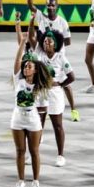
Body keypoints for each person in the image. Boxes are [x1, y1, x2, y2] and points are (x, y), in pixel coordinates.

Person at [26, 17, 75, 168]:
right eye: (45, 40)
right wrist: (31, 23)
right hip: (40, 93)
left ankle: (60, 155)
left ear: (56, 44)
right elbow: (30, 37)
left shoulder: (61, 57)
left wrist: (59, 84)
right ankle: (33, 153)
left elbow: (72, 77)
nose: (47, 42)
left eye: (50, 41)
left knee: (57, 125)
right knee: (37, 124)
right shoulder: (39, 52)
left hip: (54, 93)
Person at [26, 0, 78, 121]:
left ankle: (73, 109)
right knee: (41, 82)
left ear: (57, 7)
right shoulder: (41, 17)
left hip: (58, 56)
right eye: (48, 5)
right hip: (43, 54)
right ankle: (40, 107)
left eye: (53, 5)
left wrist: (55, 47)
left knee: (64, 84)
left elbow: (68, 41)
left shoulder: (62, 22)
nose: (50, 7)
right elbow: (31, 7)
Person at [11, 26, 52, 187]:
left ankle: (35, 181)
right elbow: (17, 60)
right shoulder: (18, 81)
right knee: (20, 151)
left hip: (33, 120)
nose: (26, 67)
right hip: (17, 119)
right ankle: (21, 181)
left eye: (29, 66)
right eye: (25, 66)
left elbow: (43, 109)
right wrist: (22, 42)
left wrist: (40, 127)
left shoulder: (40, 87)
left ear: (35, 70)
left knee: (34, 151)